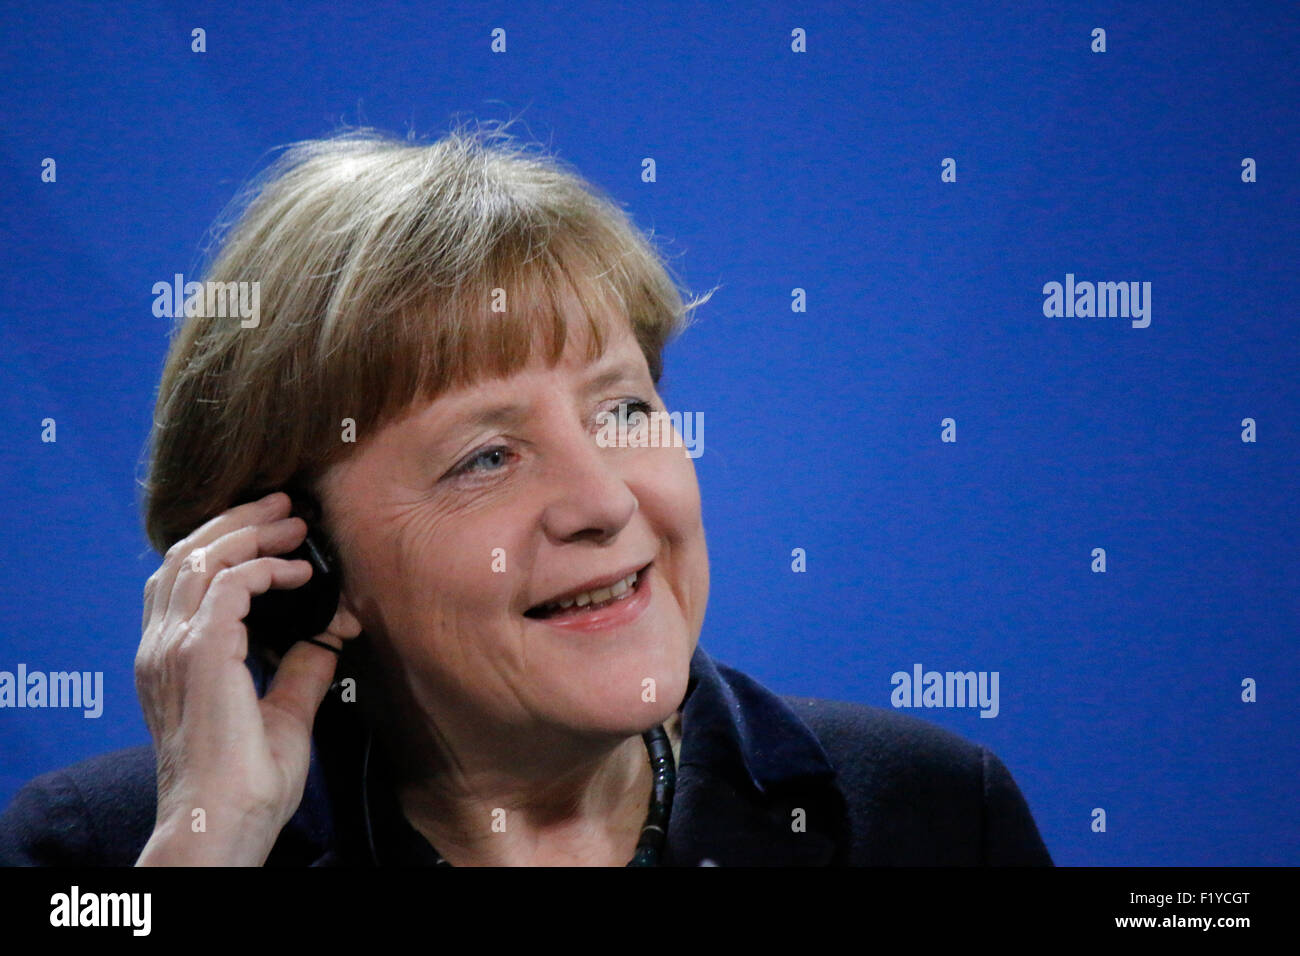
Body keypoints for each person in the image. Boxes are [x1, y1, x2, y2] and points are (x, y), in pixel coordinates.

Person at [0, 123, 1052, 866]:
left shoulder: (929, 812)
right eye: (486, 457)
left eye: (622, 411)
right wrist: (212, 836)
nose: (602, 500)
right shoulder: (97, 849)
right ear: (299, 562)